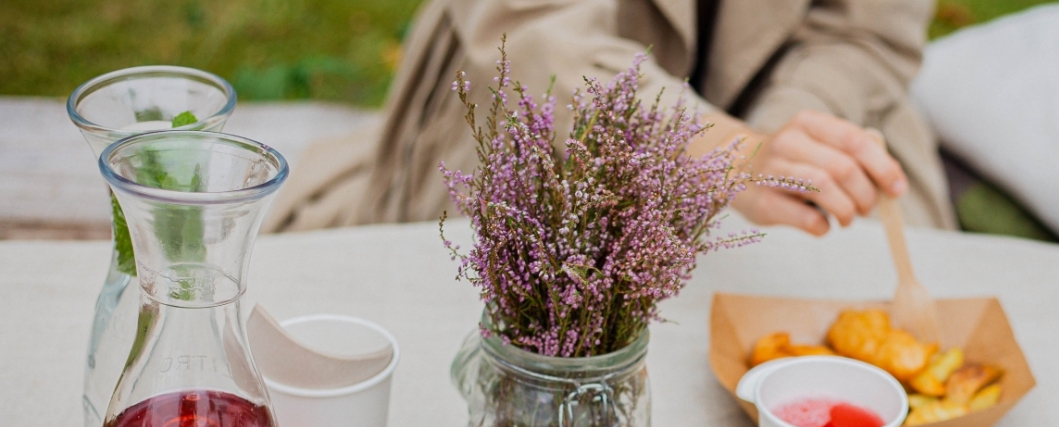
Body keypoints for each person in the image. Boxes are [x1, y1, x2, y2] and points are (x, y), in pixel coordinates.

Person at [265, 0, 956, 235]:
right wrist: (727, 150)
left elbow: (863, 32)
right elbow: (533, 36)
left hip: (791, 90)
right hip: (543, 102)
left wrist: (796, 137)